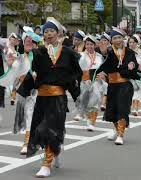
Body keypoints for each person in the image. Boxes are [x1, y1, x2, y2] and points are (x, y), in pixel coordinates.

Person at [26, 17, 82, 178]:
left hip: (58, 98)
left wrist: (70, 85)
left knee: (49, 128)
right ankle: (54, 150)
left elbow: (77, 71)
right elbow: (32, 71)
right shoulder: (39, 52)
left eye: (51, 31)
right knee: (40, 128)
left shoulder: (67, 52)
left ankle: (46, 164)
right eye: (46, 31)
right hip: (42, 98)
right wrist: (29, 54)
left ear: (58, 34)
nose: (48, 34)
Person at [97, 27, 141, 145]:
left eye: (119, 38)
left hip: (125, 85)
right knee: (112, 110)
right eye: (115, 38)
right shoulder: (109, 52)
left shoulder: (130, 52)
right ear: (111, 41)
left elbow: (135, 66)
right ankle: (117, 130)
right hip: (112, 85)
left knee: (122, 109)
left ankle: (120, 135)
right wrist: (104, 54)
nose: (117, 40)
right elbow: (105, 64)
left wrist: (133, 66)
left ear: (123, 38)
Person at [76, 35, 107, 131]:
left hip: (96, 82)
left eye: (91, 44)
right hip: (84, 81)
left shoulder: (99, 56)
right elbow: (76, 69)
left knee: (93, 102)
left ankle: (91, 122)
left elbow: (103, 69)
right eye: (87, 44)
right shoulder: (81, 55)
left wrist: (102, 76)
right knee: (84, 100)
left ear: (95, 45)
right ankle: (82, 114)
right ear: (85, 45)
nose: (89, 46)